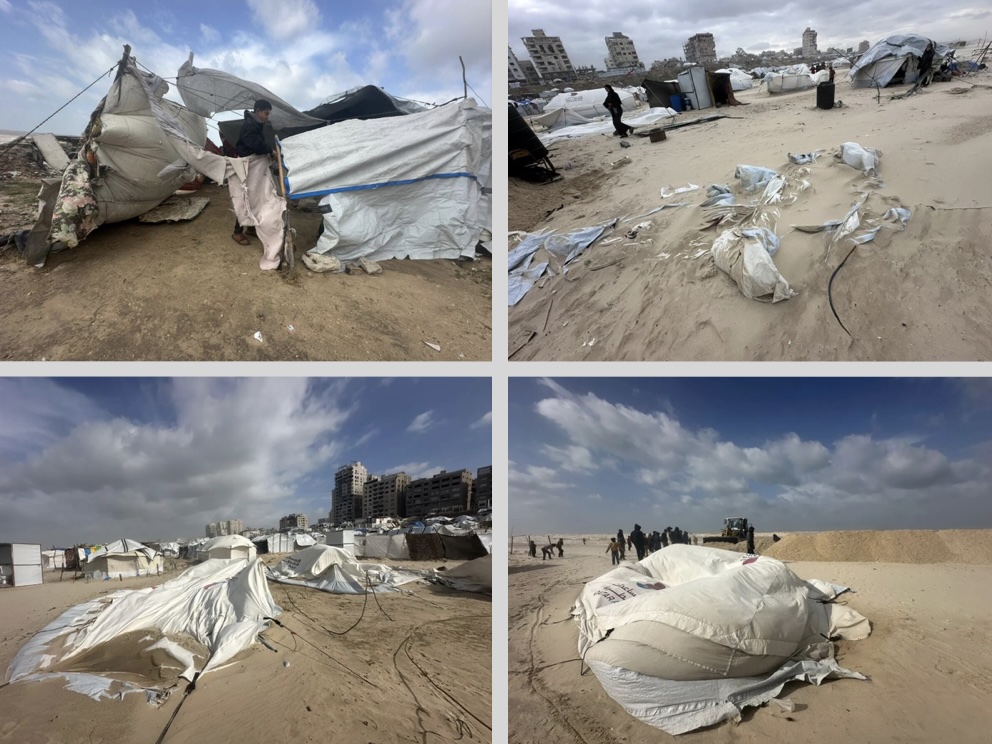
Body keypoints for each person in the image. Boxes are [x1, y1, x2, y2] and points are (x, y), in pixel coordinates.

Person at [232, 99, 276, 246]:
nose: (267, 117)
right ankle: (237, 232)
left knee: (255, 196)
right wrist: (270, 150)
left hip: (253, 166)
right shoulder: (250, 125)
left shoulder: (255, 123)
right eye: (266, 113)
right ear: (258, 111)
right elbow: (254, 144)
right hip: (247, 167)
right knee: (245, 197)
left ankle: (250, 227)